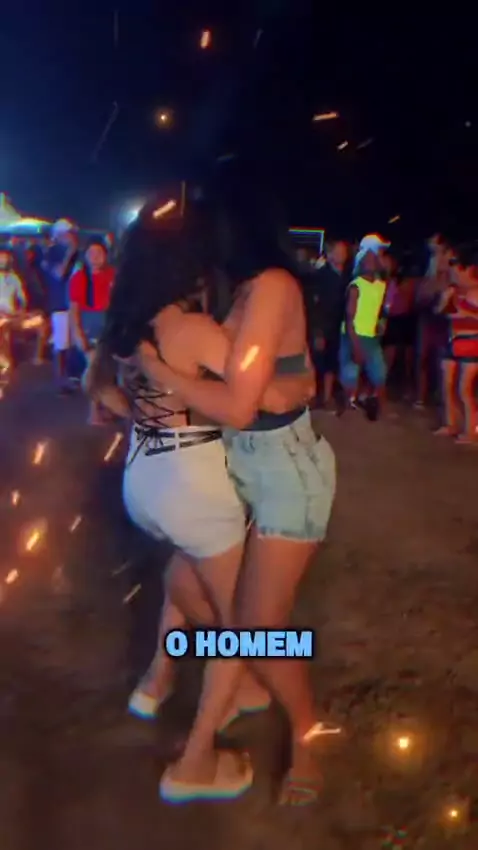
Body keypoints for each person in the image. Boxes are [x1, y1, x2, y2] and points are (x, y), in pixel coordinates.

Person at [84, 188, 324, 804]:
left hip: (157, 476)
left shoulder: (129, 324)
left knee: (193, 588)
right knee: (236, 620)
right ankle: (203, 750)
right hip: (201, 477)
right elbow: (256, 396)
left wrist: (153, 407)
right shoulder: (196, 321)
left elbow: (100, 390)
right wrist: (295, 384)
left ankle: (162, 685)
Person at [339, 234, 390, 419]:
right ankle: (349, 408)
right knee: (351, 374)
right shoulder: (356, 286)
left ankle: (364, 404)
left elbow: (381, 309)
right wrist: (355, 344)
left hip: (370, 335)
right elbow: (350, 318)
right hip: (354, 334)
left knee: (378, 374)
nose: (380, 258)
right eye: (377, 254)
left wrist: (381, 323)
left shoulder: (380, 285)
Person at [433, 243, 478, 444]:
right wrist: (446, 301)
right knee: (448, 385)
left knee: (464, 390)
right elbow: (439, 312)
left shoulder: (475, 292)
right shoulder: (454, 291)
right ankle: (452, 424)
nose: (454, 273)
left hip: (471, 342)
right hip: (452, 340)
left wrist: (463, 312)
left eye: (457, 268)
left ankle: (471, 431)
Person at [69, 239, 115, 423]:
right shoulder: (79, 277)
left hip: (110, 323)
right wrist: (78, 334)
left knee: (108, 369)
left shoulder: (113, 275)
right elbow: (74, 309)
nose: (95, 257)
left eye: (99, 253)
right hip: (90, 325)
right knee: (94, 368)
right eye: (91, 253)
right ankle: (94, 412)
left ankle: (106, 406)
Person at [414, 234, 453, 407]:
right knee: (422, 358)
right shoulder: (429, 272)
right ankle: (421, 397)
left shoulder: (453, 275)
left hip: (445, 321)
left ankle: (442, 396)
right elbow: (420, 298)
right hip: (428, 318)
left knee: (442, 361)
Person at [42, 219, 80, 394]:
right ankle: (60, 380)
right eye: (67, 233)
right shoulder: (53, 252)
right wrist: (69, 253)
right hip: (60, 304)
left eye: (72, 233)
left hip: (76, 303)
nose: (71, 237)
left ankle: (72, 377)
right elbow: (58, 273)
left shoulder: (77, 254)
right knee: (61, 342)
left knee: (74, 341)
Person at [312, 238, 349, 410]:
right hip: (323, 326)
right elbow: (315, 305)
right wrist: (318, 331)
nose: (341, 255)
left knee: (332, 363)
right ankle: (313, 396)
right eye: (338, 251)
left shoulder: (348, 276)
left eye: (344, 251)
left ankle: (327, 398)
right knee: (318, 362)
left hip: (340, 326)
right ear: (330, 254)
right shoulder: (321, 275)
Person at [381, 254, 417, 397]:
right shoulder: (379, 280)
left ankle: (407, 386)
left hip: (404, 319)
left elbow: (409, 300)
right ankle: (381, 387)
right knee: (388, 355)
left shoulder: (405, 281)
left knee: (407, 358)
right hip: (389, 319)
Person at [0, 246, 28, 369]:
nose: (3, 260)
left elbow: (23, 299)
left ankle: (7, 363)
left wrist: (21, 310)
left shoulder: (14, 278)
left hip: (11, 315)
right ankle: (6, 362)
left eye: (5, 258)